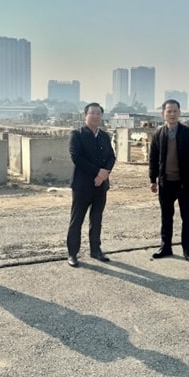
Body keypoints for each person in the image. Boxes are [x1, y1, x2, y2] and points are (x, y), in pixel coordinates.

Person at [148, 99, 189, 262]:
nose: (172, 114)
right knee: (166, 217)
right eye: (169, 111)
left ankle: (187, 249)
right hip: (165, 183)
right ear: (163, 113)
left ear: (179, 113)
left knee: (187, 217)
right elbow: (153, 158)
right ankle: (166, 247)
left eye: (175, 111)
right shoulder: (158, 134)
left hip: (185, 183)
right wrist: (152, 179)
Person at [66, 103, 116, 268]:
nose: (95, 116)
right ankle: (73, 254)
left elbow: (111, 157)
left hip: (101, 186)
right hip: (82, 186)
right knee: (77, 220)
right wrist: (98, 172)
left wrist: (105, 173)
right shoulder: (77, 135)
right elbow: (77, 158)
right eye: (92, 113)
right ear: (85, 116)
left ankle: (96, 250)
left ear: (102, 116)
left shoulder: (104, 136)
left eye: (98, 113)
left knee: (96, 219)